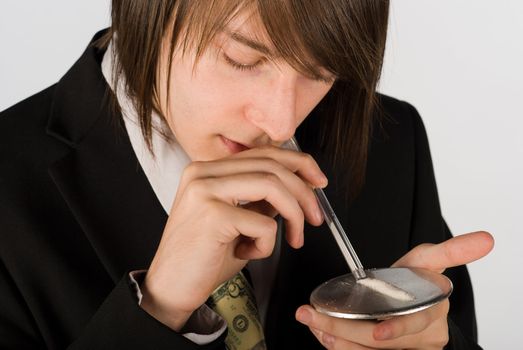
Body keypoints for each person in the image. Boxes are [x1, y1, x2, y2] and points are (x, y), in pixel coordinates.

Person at [0, 1, 494, 349]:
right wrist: (158, 307)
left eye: (321, 71)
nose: (282, 123)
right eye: (243, 58)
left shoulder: (391, 141)